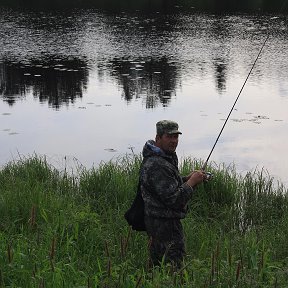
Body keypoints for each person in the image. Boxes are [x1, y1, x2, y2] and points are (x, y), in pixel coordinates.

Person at [140, 120, 207, 269]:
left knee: (159, 266)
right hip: (163, 225)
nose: (174, 141)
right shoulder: (157, 164)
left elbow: (166, 187)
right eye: (169, 137)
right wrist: (192, 183)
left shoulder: (163, 156)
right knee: (173, 268)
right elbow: (174, 199)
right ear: (158, 138)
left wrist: (186, 179)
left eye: (176, 137)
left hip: (162, 221)